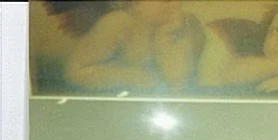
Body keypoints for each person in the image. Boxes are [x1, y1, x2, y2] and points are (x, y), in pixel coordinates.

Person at [54, 0, 205, 94]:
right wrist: (133, 76)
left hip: (158, 112)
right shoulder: (118, 23)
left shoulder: (183, 26)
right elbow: (74, 73)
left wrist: (165, 40)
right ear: (134, 3)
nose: (171, 3)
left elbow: (179, 86)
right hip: (111, 106)